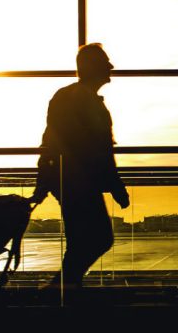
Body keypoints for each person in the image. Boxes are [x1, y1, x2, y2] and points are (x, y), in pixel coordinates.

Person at [33, 43, 130, 291]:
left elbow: (51, 141)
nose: (111, 66)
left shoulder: (68, 97)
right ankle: (63, 287)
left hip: (70, 179)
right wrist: (116, 186)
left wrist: (44, 180)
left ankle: (65, 287)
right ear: (92, 67)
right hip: (78, 181)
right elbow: (99, 149)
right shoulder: (83, 100)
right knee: (98, 238)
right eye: (105, 62)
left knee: (84, 240)